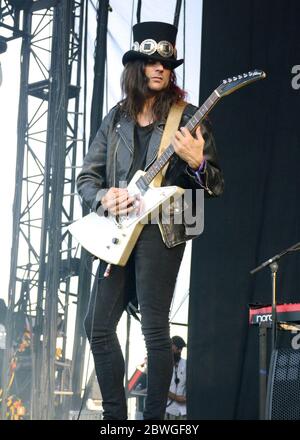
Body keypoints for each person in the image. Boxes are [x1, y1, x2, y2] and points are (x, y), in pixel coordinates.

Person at [76, 21, 224, 420]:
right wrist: (105, 195)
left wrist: (197, 163)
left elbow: (215, 184)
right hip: (118, 230)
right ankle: (114, 419)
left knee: (155, 330)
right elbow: (87, 178)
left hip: (164, 226)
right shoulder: (116, 118)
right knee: (97, 326)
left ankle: (155, 421)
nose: (160, 68)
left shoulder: (188, 117)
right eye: (151, 61)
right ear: (136, 66)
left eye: (167, 62)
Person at [165, 335, 187, 420]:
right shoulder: (164, 365)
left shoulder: (186, 364)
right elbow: (161, 387)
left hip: (183, 411)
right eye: (176, 349)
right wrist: (176, 398)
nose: (179, 351)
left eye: (180, 349)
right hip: (167, 410)